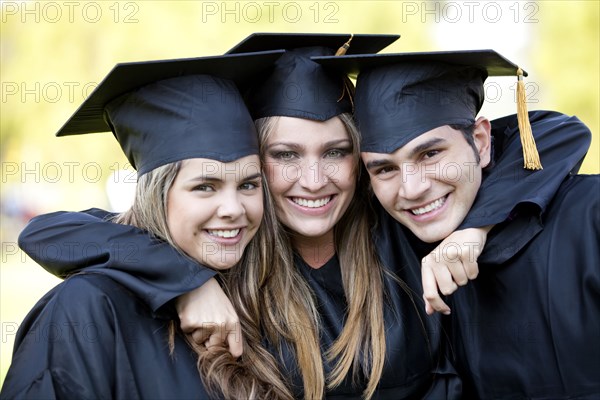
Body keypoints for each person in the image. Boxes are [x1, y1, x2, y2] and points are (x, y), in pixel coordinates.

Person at [14, 36, 592, 399]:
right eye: (284, 156)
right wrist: (185, 281)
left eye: (337, 153)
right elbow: (52, 229)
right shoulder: (229, 255)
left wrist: (476, 226)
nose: (313, 182)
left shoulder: (398, 227)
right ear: (257, 162)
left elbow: (547, 135)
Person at [1, 51, 295, 399]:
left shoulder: (267, 293)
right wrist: (187, 282)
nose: (233, 208)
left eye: (248, 184)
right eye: (205, 186)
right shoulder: (88, 308)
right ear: (156, 195)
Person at [316, 49, 600, 398]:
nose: (412, 189)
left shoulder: (589, 216)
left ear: (480, 143)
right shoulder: (392, 261)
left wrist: (478, 226)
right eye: (385, 168)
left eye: (430, 154)